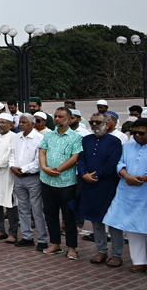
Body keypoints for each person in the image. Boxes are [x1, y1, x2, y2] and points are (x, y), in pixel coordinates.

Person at [74, 113, 125, 266]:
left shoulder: (114, 141)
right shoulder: (86, 140)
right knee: (96, 219)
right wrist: (83, 174)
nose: (94, 124)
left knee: (113, 220)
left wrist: (96, 175)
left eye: (98, 122)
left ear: (107, 124)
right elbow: (81, 159)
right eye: (92, 122)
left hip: (108, 185)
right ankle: (101, 250)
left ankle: (116, 254)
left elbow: (112, 162)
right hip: (89, 185)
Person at [102, 118, 147, 273]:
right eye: (134, 132)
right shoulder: (127, 146)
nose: (137, 136)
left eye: (141, 133)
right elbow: (120, 163)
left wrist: (144, 177)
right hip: (127, 192)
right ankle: (140, 261)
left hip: (145, 192)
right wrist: (127, 176)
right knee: (133, 227)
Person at [38, 107, 83, 259]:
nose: (57, 119)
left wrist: (58, 169)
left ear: (69, 120)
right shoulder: (49, 135)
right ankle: (55, 244)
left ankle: (71, 247)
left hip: (66, 182)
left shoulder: (76, 137)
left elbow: (75, 157)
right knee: (50, 214)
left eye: (61, 117)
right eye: (55, 116)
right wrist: (44, 168)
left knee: (68, 216)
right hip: (47, 181)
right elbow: (42, 151)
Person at [9, 113, 48, 250]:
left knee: (37, 210)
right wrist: (12, 166)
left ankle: (42, 239)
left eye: (24, 122)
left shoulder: (40, 138)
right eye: (20, 122)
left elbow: (39, 161)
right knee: (23, 208)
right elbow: (12, 155)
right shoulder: (16, 137)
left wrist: (23, 169)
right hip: (18, 177)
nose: (21, 124)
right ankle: (27, 236)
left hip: (32, 178)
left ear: (32, 124)